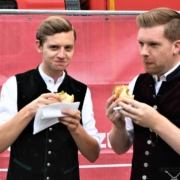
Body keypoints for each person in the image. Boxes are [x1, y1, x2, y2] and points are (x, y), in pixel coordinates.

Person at [0, 16, 100, 180]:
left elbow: (93, 155)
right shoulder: (15, 84)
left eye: (68, 48)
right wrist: (29, 111)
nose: (62, 54)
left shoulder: (81, 90)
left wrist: (76, 128)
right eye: (54, 47)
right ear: (39, 46)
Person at [106, 8, 180, 180]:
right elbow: (120, 148)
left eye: (153, 44)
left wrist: (155, 121)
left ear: (176, 46)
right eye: (141, 43)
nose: (144, 52)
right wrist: (118, 126)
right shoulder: (136, 83)